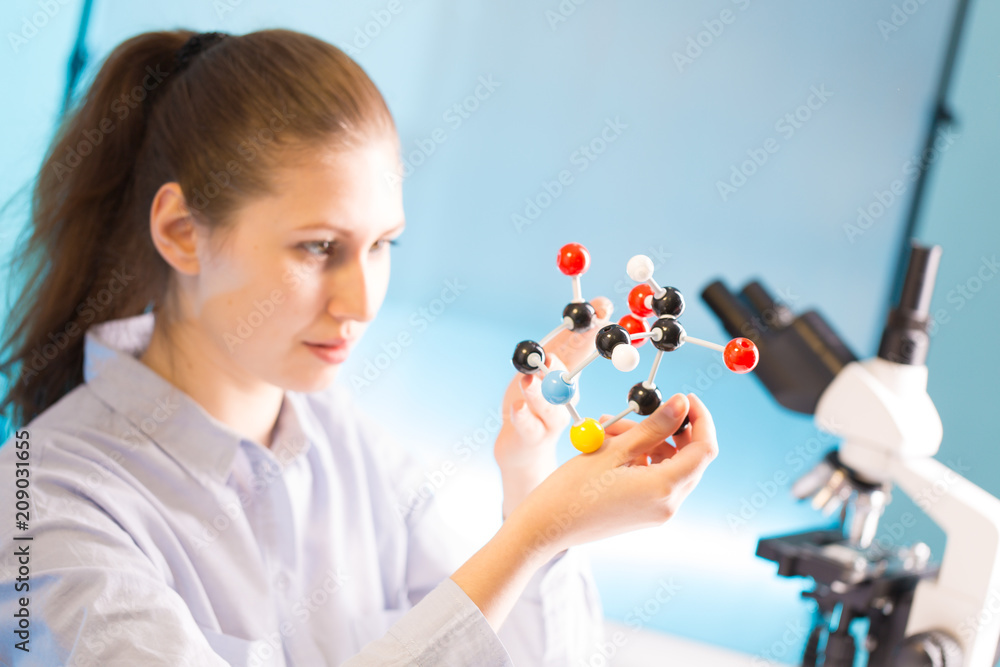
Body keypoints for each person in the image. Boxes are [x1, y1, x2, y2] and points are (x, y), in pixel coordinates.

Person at [0, 28, 719, 666]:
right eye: (319, 247)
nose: (363, 302)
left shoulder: (344, 441)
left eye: (382, 245)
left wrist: (531, 490)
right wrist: (530, 536)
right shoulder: (41, 503)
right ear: (184, 232)